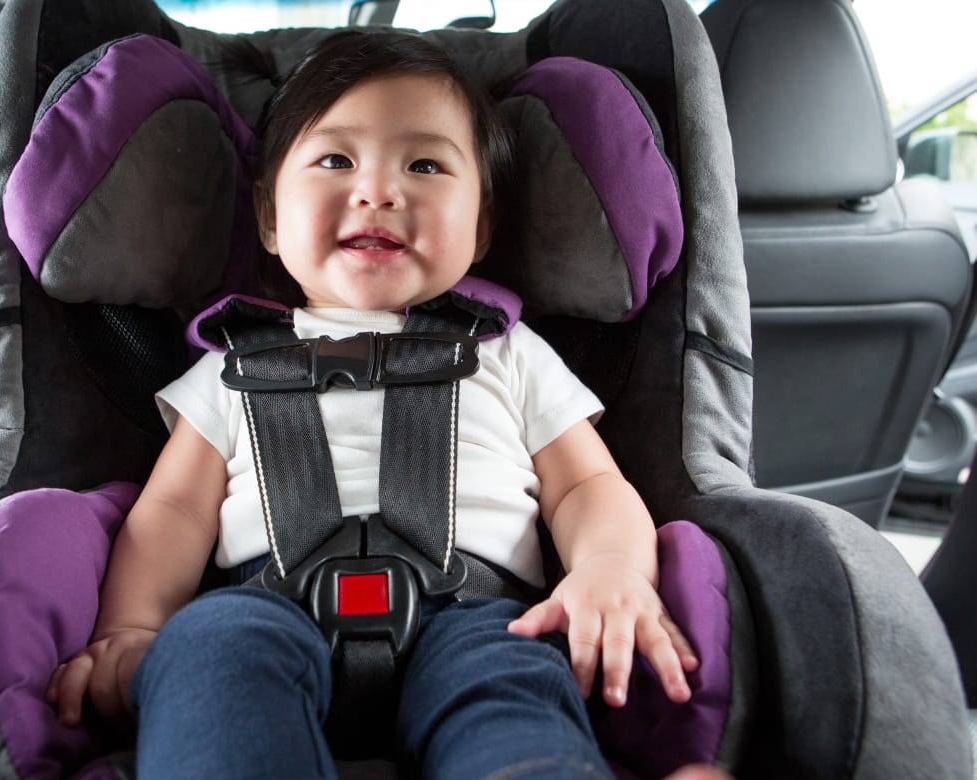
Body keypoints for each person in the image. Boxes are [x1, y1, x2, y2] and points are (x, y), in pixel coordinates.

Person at [45, 30, 716, 779]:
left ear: (482, 225)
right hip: (264, 607)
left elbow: (589, 485)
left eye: (425, 165)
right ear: (270, 217)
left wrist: (611, 567)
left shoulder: (510, 351)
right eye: (335, 160)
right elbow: (172, 511)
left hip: (477, 615)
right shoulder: (230, 365)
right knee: (205, 650)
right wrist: (134, 627)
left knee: (518, 685)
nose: (378, 191)